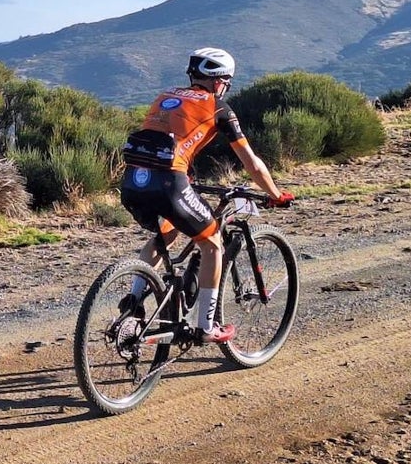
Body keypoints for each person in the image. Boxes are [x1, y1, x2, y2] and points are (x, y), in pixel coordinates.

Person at [118, 48, 293, 343]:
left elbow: (170, 140)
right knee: (212, 245)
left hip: (133, 182)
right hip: (169, 183)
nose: (225, 87)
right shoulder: (219, 107)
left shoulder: (165, 95)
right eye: (226, 81)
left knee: (166, 233)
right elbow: (250, 162)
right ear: (218, 81)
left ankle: (134, 300)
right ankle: (205, 327)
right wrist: (275, 193)